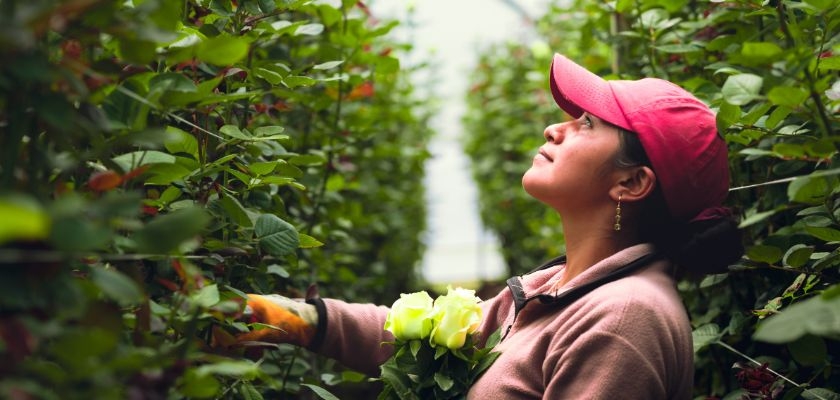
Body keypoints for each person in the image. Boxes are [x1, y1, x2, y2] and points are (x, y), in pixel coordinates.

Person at [237, 53, 744, 399]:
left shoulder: (623, 318)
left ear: (632, 184)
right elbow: (429, 337)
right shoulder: (558, 287)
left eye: (588, 124)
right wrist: (286, 317)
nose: (555, 127)